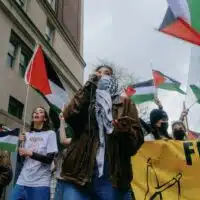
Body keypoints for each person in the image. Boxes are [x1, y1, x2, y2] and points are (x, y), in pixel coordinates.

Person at [60, 64, 144, 200]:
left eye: (107, 73)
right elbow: (69, 116)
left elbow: (135, 144)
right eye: (98, 72)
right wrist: (88, 87)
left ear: (113, 79)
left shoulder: (126, 103)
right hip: (78, 174)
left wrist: (124, 131)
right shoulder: (85, 99)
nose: (102, 75)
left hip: (110, 178)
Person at [11, 106, 58, 200]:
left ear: (45, 118)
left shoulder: (50, 134)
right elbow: (21, 160)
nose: (36, 113)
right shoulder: (26, 135)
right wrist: (20, 143)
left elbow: (48, 159)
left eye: (40, 112)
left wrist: (29, 153)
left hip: (40, 184)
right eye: (35, 112)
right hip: (22, 181)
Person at [54, 112, 72, 200]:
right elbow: (62, 140)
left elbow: (63, 141)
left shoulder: (81, 137)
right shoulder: (59, 132)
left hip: (73, 181)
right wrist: (62, 121)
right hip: (60, 179)